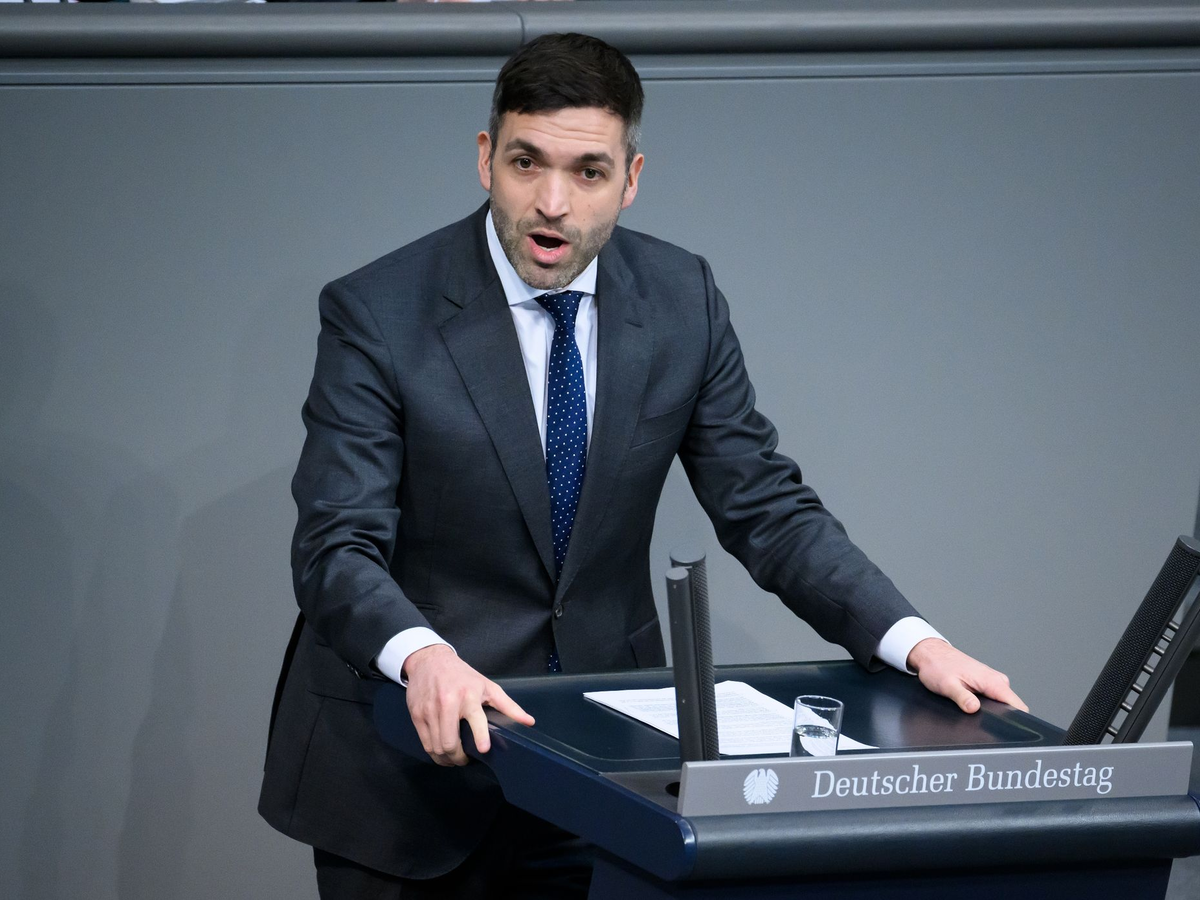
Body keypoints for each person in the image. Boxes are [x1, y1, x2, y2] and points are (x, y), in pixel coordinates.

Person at [259, 32, 1028, 899]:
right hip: (405, 779)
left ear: (630, 179)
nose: (551, 203)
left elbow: (766, 507)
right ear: (485, 159)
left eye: (588, 171)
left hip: (597, 773)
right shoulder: (377, 311)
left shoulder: (680, 297)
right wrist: (423, 657)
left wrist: (914, 643)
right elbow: (336, 546)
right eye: (526, 163)